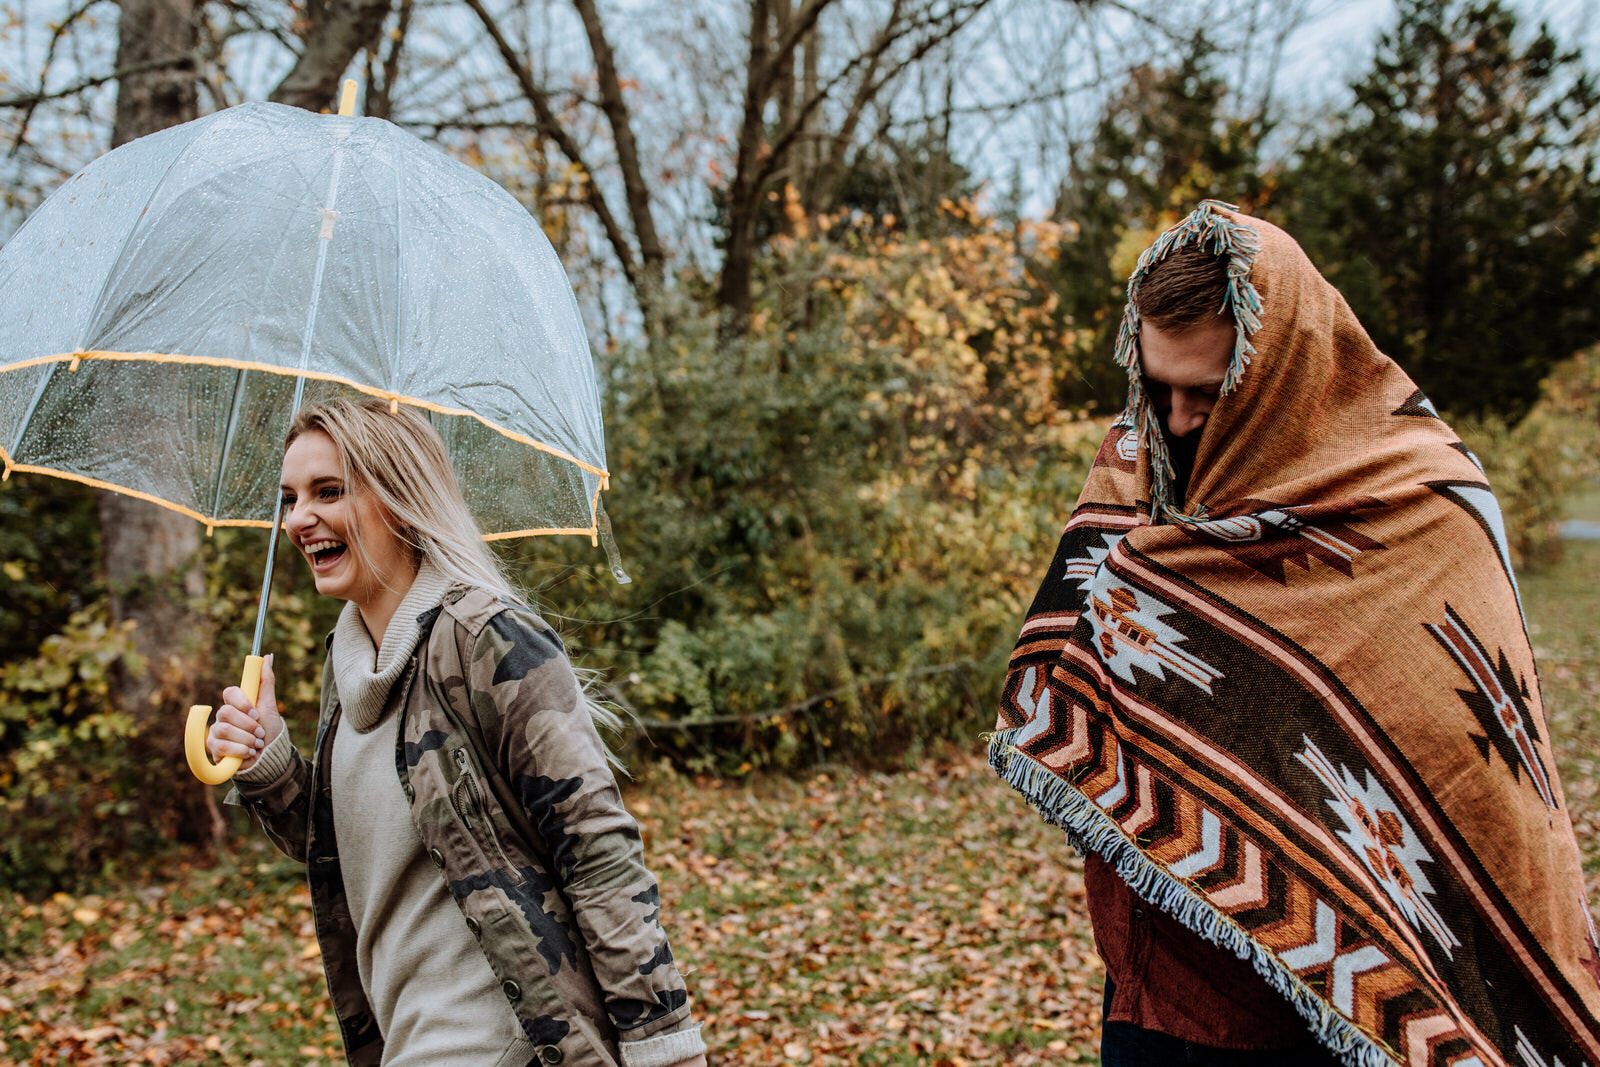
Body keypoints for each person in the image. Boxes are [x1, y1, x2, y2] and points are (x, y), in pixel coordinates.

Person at [989, 201, 1600, 1066]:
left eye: (1207, 391)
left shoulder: (1424, 499)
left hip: (1359, 989)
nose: (1179, 419)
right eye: (1157, 386)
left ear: (1282, 368)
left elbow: (1475, 764)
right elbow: (1063, 673)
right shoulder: (1137, 462)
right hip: (1170, 985)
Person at [206, 397, 708, 1067]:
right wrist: (271, 761)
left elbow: (597, 852)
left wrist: (665, 1049)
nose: (299, 518)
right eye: (290, 498)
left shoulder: (485, 639)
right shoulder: (349, 667)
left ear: (398, 496)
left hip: (508, 1045)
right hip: (405, 1044)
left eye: (328, 490)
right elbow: (357, 860)